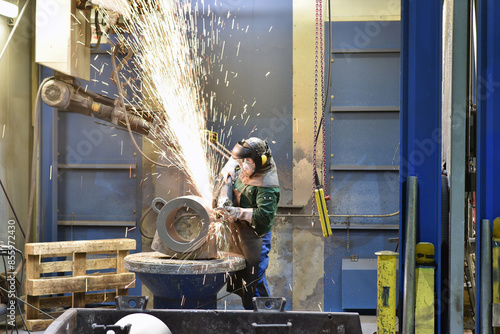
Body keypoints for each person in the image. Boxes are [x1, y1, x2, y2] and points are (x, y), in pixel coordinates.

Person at [218, 137, 280, 310]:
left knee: (254, 280)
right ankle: (252, 315)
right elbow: (238, 157)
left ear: (261, 162)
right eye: (242, 161)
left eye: (248, 162)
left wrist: (238, 212)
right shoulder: (251, 159)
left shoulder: (267, 184)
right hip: (240, 232)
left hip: (255, 236)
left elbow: (264, 216)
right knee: (243, 281)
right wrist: (231, 163)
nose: (244, 166)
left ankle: (265, 317)